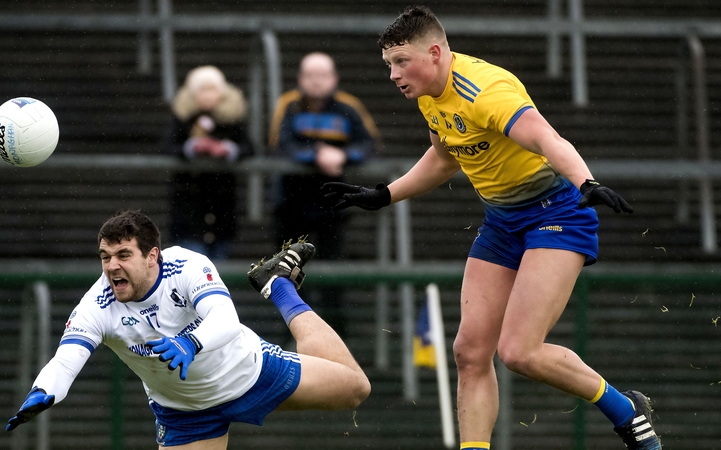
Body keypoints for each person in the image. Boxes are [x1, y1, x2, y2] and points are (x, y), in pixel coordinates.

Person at [322, 6, 660, 450]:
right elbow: (444, 159)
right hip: (502, 222)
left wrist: (586, 181)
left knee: (519, 352)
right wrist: (385, 194)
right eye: (389, 64)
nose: (393, 74)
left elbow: (546, 138)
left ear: (436, 52)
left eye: (402, 62)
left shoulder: (485, 89)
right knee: (469, 352)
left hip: (555, 214)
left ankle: (625, 410)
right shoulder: (429, 96)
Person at [6, 210, 370, 449]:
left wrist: (190, 343)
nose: (111, 266)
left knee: (356, 389)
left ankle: (279, 287)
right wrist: (44, 390)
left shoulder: (186, 265)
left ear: (152, 256)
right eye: (105, 257)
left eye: (123, 255)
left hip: (250, 371)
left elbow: (225, 318)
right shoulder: (97, 305)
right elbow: (66, 360)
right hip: (186, 412)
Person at [269, 51, 380, 335]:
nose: (316, 82)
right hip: (291, 205)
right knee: (286, 274)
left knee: (334, 272)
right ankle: (290, 336)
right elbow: (278, 144)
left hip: (333, 205)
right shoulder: (288, 105)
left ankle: (335, 334)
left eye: (323, 76)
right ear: (300, 79)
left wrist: (343, 156)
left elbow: (369, 144)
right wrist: (316, 155)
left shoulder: (349, 107)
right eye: (310, 75)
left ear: (334, 79)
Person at [161, 65, 253, 260]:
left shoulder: (232, 120)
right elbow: (167, 147)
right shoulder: (183, 119)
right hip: (189, 206)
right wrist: (192, 147)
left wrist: (227, 149)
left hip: (222, 207)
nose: (208, 96)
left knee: (218, 270)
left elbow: (249, 147)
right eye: (202, 90)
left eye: (212, 90)